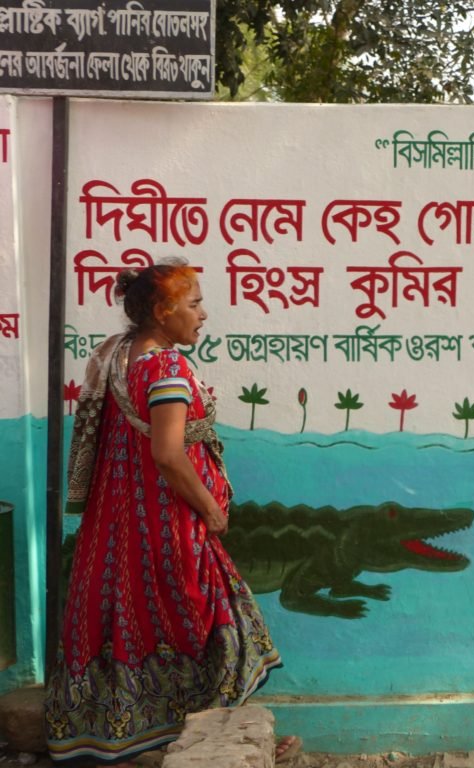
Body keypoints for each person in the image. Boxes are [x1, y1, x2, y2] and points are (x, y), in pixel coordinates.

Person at [44, 260, 291, 766]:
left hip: (118, 524)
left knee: (137, 627)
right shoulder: (166, 367)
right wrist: (210, 509)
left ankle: (135, 742)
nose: (203, 315)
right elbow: (168, 453)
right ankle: (213, 742)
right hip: (167, 524)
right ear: (163, 311)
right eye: (194, 303)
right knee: (209, 622)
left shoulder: (117, 354)